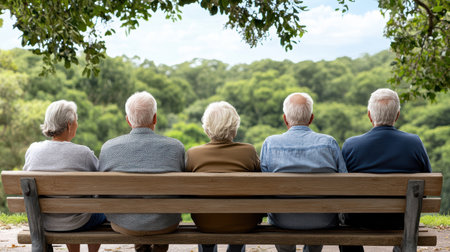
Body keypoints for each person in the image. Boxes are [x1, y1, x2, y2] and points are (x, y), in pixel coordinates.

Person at [339, 88, 432, 252]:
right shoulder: (414, 143)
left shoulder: (351, 145)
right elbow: (424, 190)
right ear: (397, 115)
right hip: (401, 220)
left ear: (369, 115)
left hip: (360, 219)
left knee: (343, 217)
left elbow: (342, 188)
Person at [98, 91, 185, 252]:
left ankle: (142, 247)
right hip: (165, 224)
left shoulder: (109, 148)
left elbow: (100, 193)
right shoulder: (176, 147)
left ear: (128, 120)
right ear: (155, 118)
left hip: (125, 224)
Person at [260, 92, 347, 252]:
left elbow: (263, 188)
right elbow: (344, 183)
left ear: (285, 119)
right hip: (323, 220)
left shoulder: (270, 144)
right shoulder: (329, 143)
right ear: (311, 118)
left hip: (282, 221)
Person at [23, 100, 104, 252]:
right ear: (69, 125)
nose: (77, 125)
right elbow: (101, 182)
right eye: (76, 121)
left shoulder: (33, 150)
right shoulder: (83, 153)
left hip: (44, 221)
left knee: (74, 203)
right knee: (98, 204)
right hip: (78, 221)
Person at [186, 101, 263, 252]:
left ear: (207, 129)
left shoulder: (193, 154)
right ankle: (235, 248)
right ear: (234, 129)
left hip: (205, 222)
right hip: (243, 222)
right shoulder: (248, 151)